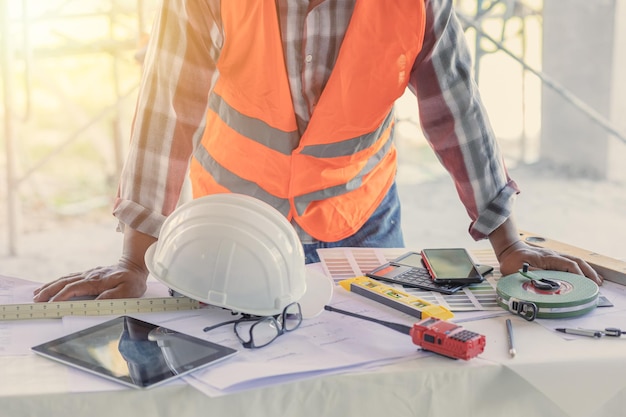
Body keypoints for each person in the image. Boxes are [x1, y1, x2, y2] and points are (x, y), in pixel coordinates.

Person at [33, 0, 601, 303]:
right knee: (233, 376)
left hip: (361, 217)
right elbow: (167, 104)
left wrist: (509, 244)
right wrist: (135, 260)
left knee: (359, 378)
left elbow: (455, 109)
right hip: (232, 221)